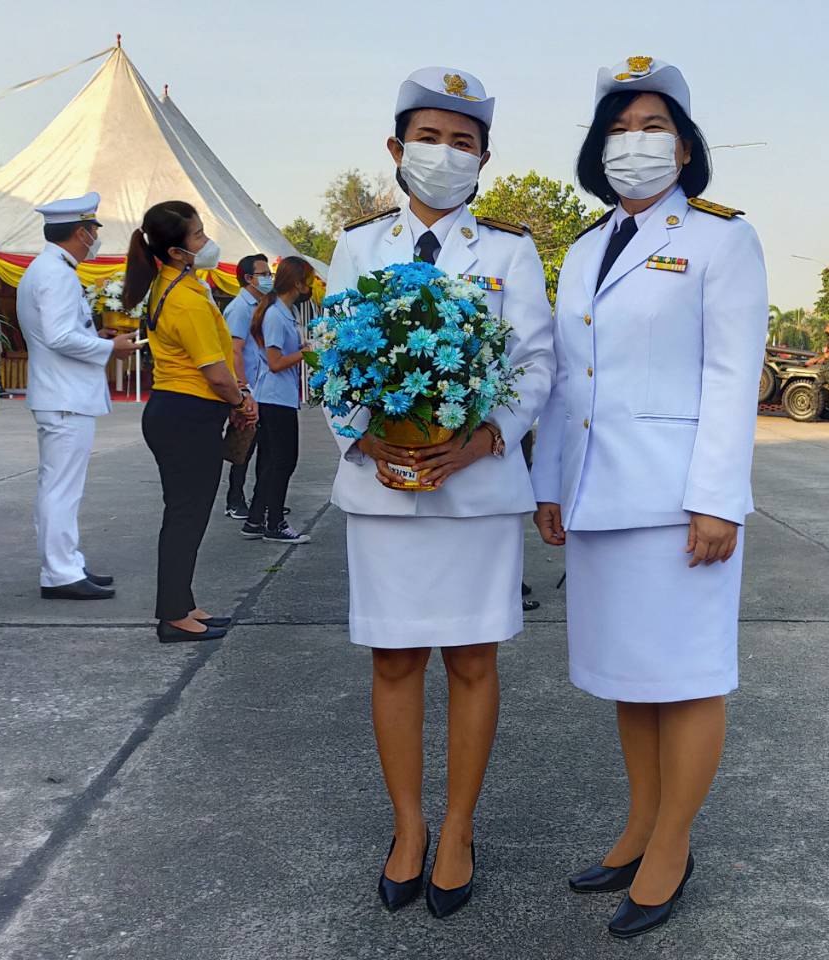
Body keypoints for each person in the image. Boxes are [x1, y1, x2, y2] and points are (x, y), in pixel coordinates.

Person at [531, 56, 767, 939]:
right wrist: (550, 482)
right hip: (597, 494)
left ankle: (673, 845)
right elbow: (565, 379)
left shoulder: (720, 237)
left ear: (686, 144)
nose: (636, 143)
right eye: (620, 129)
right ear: (599, 148)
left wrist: (717, 499)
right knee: (631, 678)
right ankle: (637, 825)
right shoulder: (587, 247)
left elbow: (731, 373)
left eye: (653, 126)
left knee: (689, 676)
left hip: (677, 502)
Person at [325, 66, 553, 920]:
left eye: (463, 143)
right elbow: (332, 357)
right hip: (382, 488)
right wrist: (364, 435)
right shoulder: (357, 245)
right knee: (393, 659)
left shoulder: (509, 250)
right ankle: (409, 826)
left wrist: (485, 437)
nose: (445, 155)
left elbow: (536, 362)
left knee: (472, 659)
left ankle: (458, 828)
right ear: (395, 148)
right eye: (430, 138)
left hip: (477, 488)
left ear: (484, 158)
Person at [119, 201, 258, 642]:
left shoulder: (176, 284)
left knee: (188, 514)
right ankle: (174, 615)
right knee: (186, 516)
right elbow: (215, 372)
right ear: (177, 252)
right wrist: (241, 401)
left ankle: (182, 603)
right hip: (187, 415)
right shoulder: (185, 300)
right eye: (198, 236)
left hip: (175, 412)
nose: (206, 242)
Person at [16, 191, 141, 600]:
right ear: (82, 233)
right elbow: (56, 336)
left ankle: (65, 563)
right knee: (61, 489)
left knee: (59, 487)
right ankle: (60, 572)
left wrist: (96, 336)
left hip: (61, 393)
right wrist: (110, 349)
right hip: (65, 396)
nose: (94, 238)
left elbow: (62, 333)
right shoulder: (55, 273)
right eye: (92, 230)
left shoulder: (48, 268)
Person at [240, 255, 313, 544]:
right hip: (275, 398)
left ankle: (257, 518)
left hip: (279, 396)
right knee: (283, 460)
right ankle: (275, 523)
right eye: (306, 280)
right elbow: (275, 361)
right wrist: (305, 353)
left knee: (273, 461)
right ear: (297, 282)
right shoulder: (274, 314)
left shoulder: (283, 310)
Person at [221, 254, 270, 519]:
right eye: (263, 274)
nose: (268, 278)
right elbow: (235, 350)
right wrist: (243, 389)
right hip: (248, 388)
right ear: (249, 278)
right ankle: (234, 499)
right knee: (243, 446)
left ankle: (255, 499)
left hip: (261, 386)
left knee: (258, 444)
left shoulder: (259, 305)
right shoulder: (240, 308)